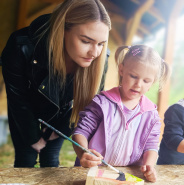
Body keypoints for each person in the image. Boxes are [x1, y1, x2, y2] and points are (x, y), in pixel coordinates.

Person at [1, 0, 111, 167]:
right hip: (26, 109)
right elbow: (18, 100)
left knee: (51, 157)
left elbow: (86, 107)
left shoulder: (102, 58)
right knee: (26, 157)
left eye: (101, 44)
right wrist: (34, 138)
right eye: (86, 41)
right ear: (63, 30)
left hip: (62, 115)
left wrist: (57, 132)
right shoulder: (20, 46)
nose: (95, 52)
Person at [72, 45, 171, 182]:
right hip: (92, 172)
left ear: (152, 82)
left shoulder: (151, 115)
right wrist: (83, 152)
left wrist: (149, 166)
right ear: (121, 69)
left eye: (146, 81)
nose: (138, 84)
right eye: (133, 76)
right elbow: (80, 132)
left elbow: (151, 146)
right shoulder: (102, 103)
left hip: (127, 176)